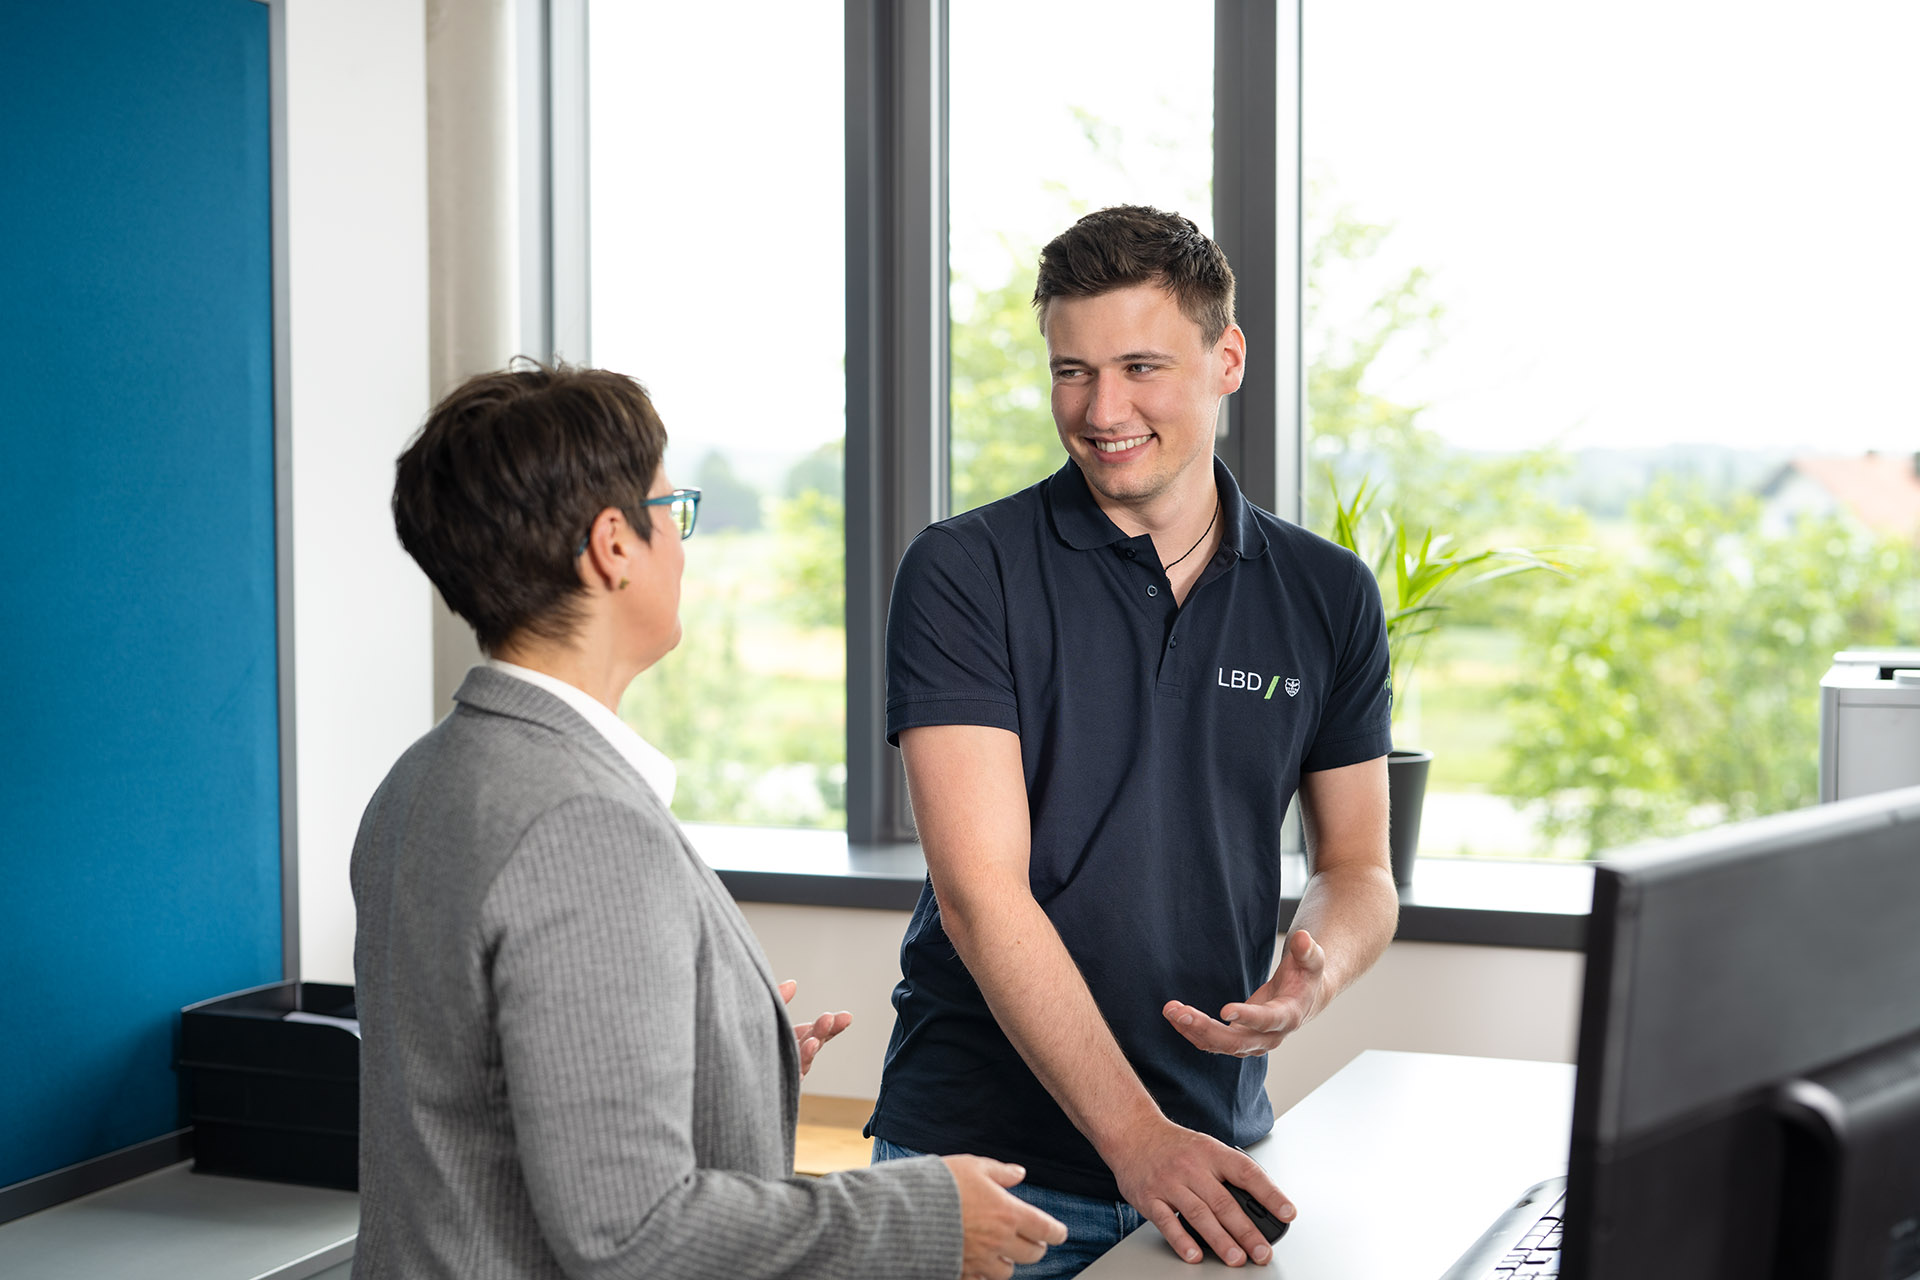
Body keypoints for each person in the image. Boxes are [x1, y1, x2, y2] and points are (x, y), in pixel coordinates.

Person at [352, 362, 1066, 1280]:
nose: (682, 549)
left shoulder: (420, 778)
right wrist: (925, 1213)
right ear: (614, 545)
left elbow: (490, 1092)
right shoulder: (580, 825)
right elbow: (631, 1230)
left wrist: (734, 1070)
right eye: (672, 510)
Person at [870, 207, 1401, 1276]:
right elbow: (980, 894)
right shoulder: (964, 571)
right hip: (990, 1168)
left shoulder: (1328, 593)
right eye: (1072, 372)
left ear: (1226, 359)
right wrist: (1137, 1139)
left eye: (1140, 368)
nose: (1102, 410)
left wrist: (1314, 977)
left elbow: (1358, 869)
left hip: (1208, 1163)